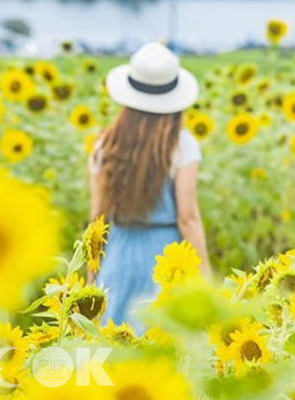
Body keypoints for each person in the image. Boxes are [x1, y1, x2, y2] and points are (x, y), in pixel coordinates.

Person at [87, 42, 211, 332]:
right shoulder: (181, 145)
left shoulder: (105, 145)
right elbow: (187, 218)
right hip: (166, 259)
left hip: (117, 254)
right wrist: (206, 279)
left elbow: (97, 220)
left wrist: (90, 279)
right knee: (163, 348)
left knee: (108, 351)